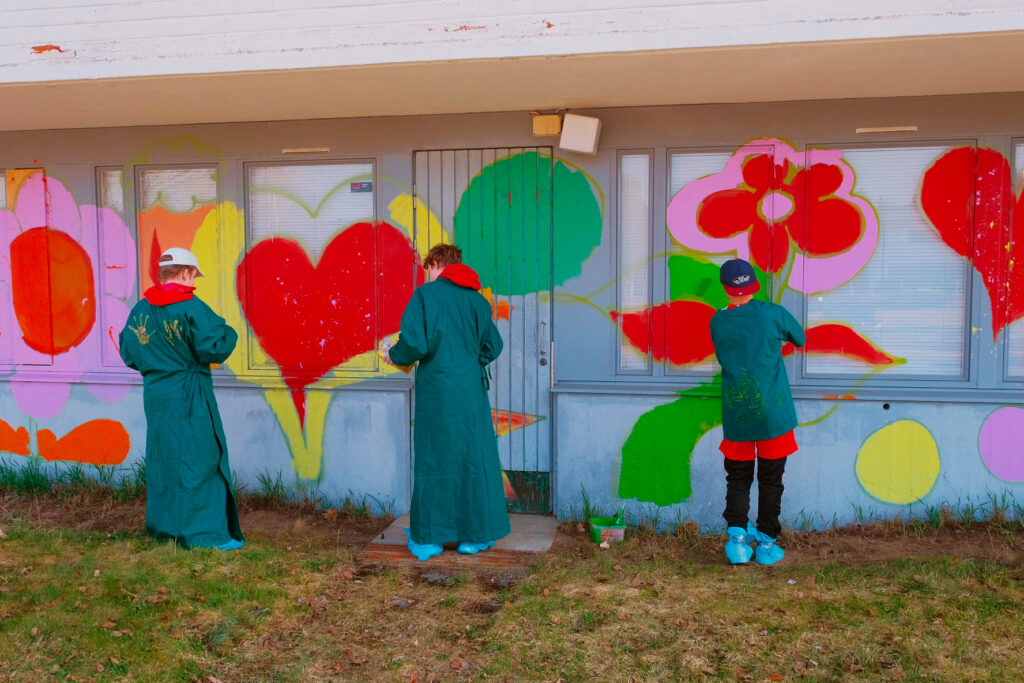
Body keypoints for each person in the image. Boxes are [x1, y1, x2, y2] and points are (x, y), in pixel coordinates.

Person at [384, 243, 509, 561]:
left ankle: (430, 539)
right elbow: (493, 345)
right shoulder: (479, 302)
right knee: (472, 458)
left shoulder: (425, 296)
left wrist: (393, 355)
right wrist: (470, 361)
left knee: (434, 459)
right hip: (470, 394)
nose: (426, 273)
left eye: (427, 267)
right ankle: (475, 537)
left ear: (437, 263)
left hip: (436, 392)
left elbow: (413, 343)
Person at [119, 247, 244, 551]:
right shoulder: (191, 306)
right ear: (187, 273)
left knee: (164, 460)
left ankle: (165, 529)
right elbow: (215, 345)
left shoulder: (141, 309)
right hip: (190, 395)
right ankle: (203, 534)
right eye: (193, 276)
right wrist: (228, 331)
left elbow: (128, 351)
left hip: (157, 397)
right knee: (200, 459)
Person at [709, 258, 805, 565]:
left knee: (737, 479)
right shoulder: (772, 313)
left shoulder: (718, 321)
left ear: (726, 289)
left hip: (737, 414)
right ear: (753, 284)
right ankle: (766, 545)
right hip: (773, 414)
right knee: (771, 480)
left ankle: (737, 545)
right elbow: (799, 339)